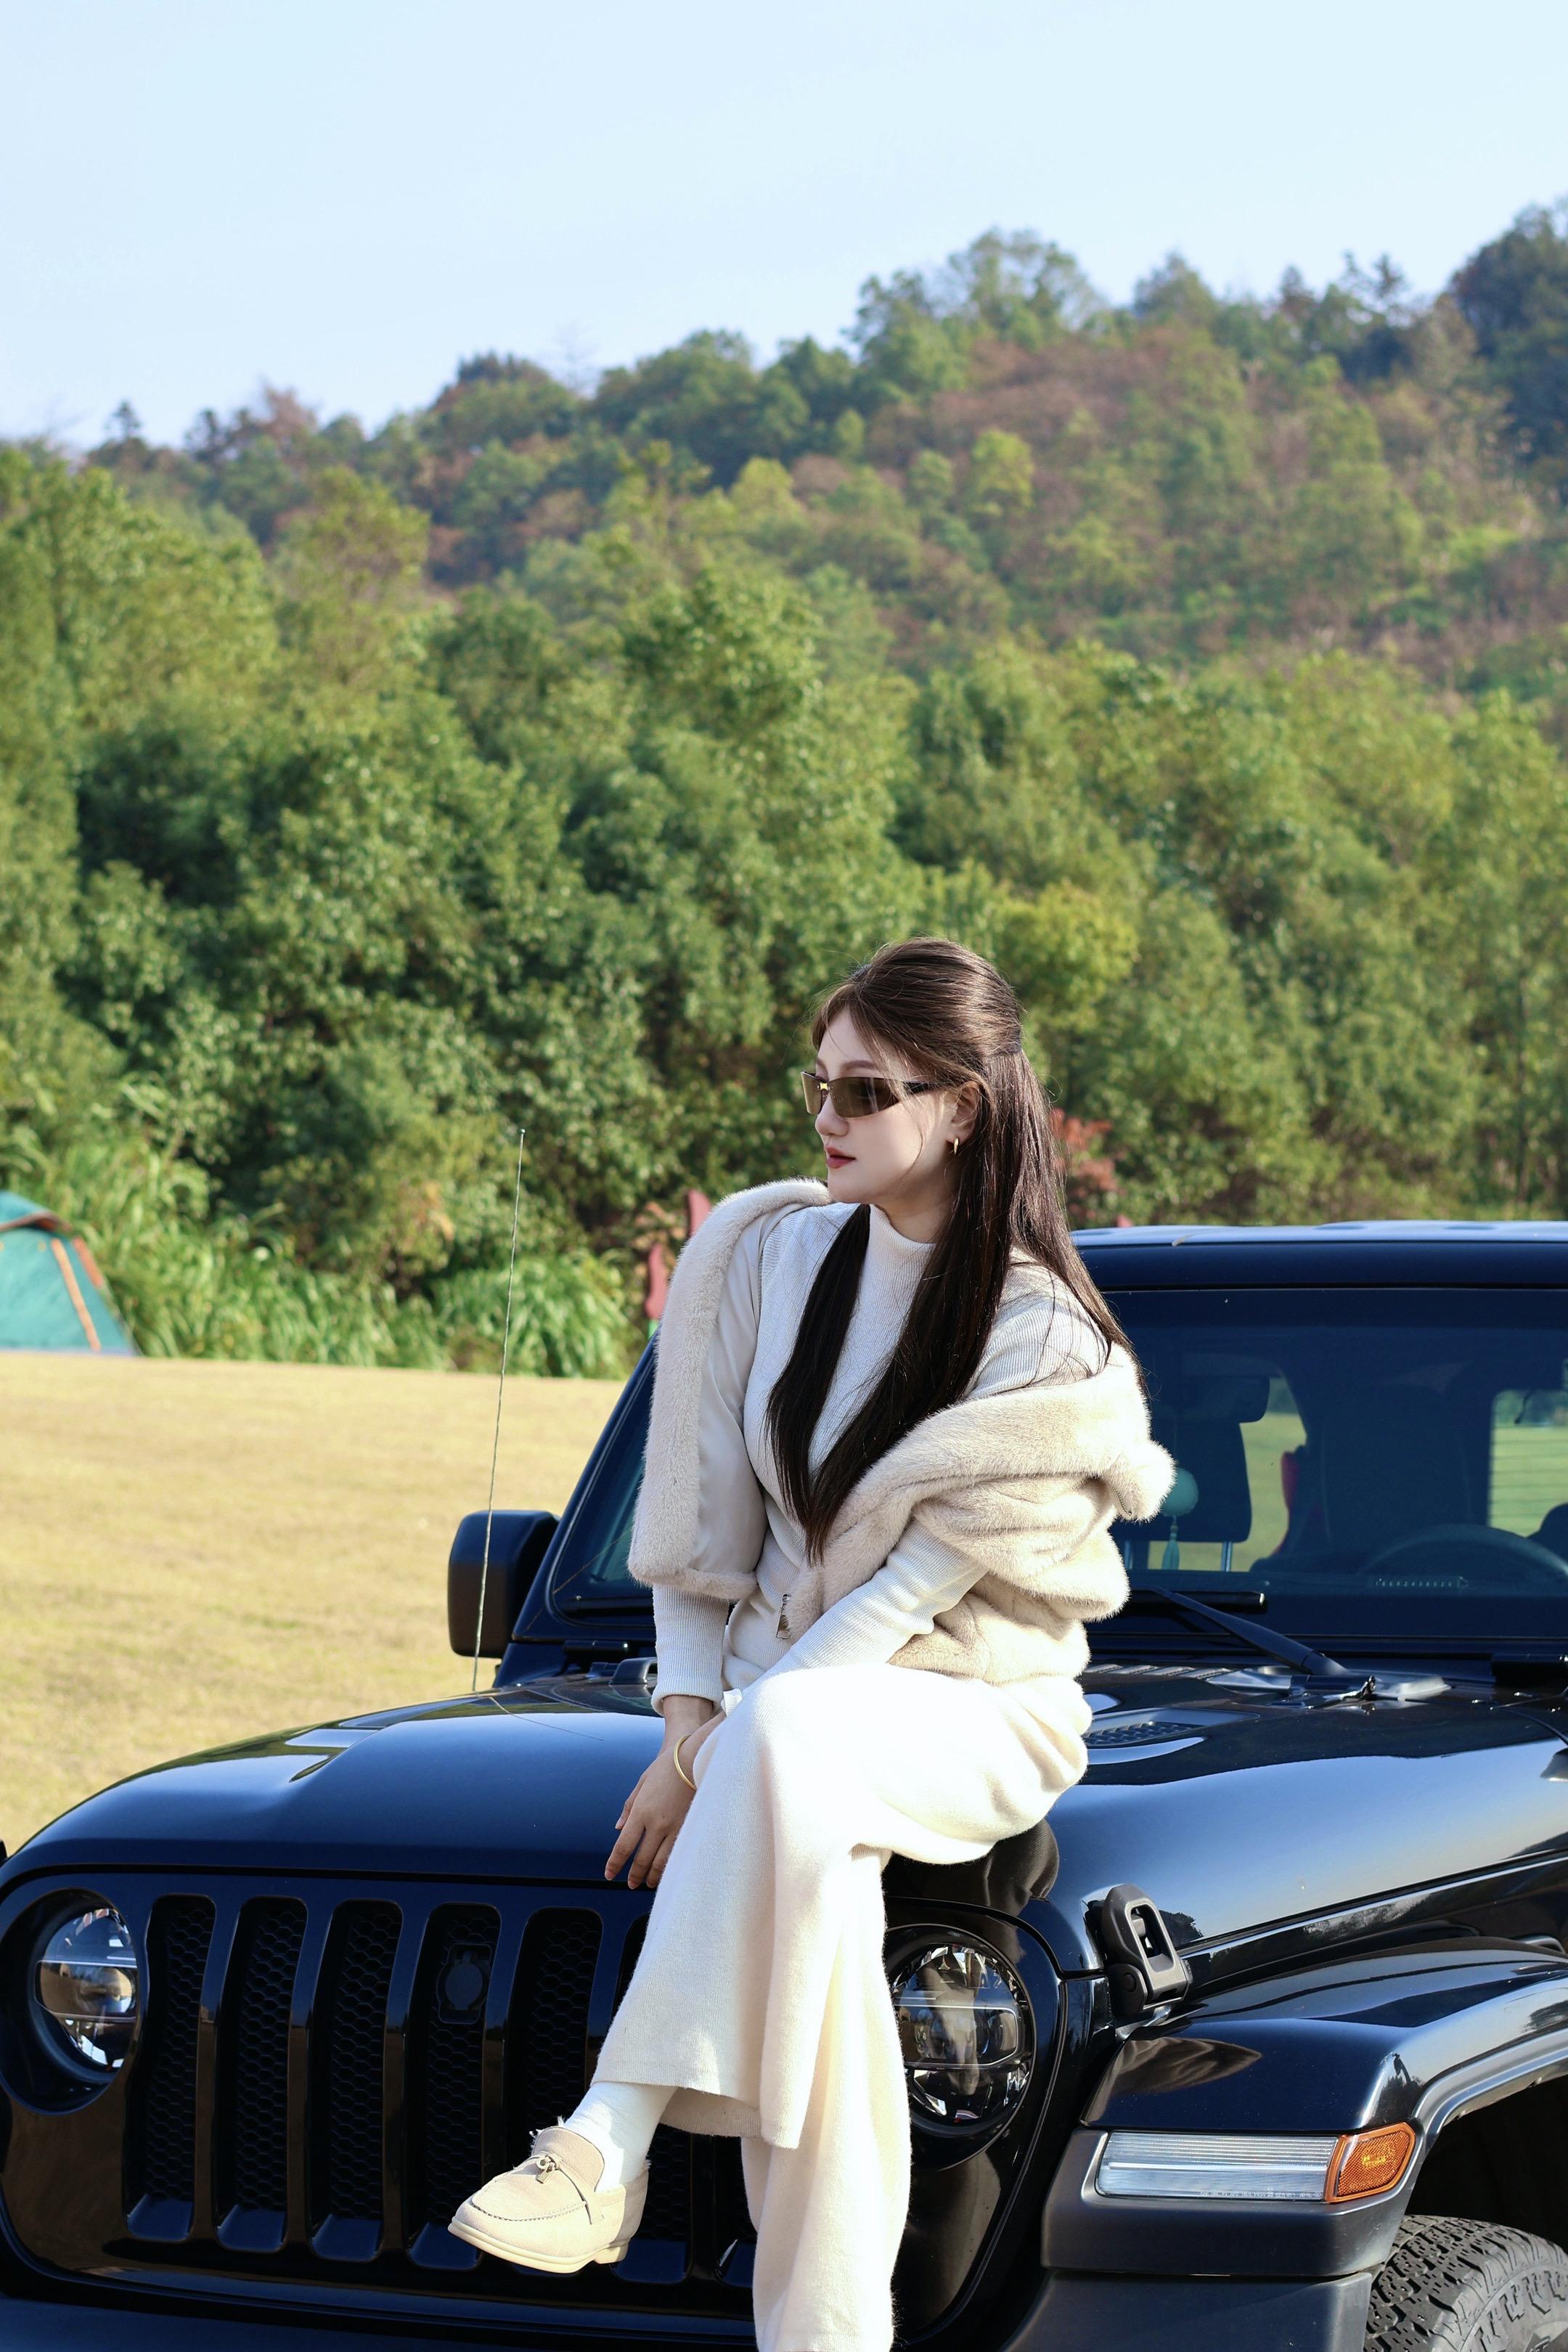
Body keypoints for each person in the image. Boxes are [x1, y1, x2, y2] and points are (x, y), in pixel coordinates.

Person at [450, 937, 1172, 2352]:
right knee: (823, 1962)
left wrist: (711, 1761)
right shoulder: (772, 1257)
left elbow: (897, 1605)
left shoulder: (1042, 1340)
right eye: (819, 1085)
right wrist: (686, 1717)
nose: (828, 1118)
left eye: (865, 1091)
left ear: (961, 1106)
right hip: (789, 1717)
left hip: (972, 1706)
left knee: (786, 1742)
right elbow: (696, 1518)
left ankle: (608, 2138)